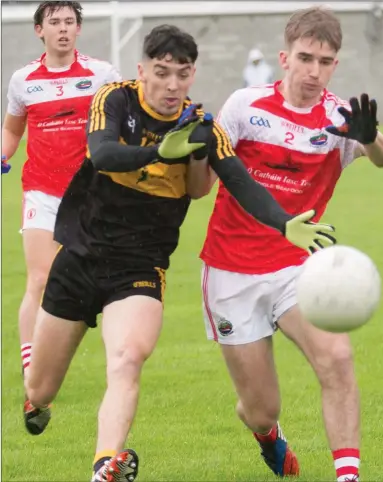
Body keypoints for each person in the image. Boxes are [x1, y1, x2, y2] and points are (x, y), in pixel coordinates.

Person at [23, 24, 337, 482]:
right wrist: (155, 152)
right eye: (162, 72)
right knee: (42, 385)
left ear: (192, 75)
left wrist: (283, 222)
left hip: (139, 269)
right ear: (142, 70)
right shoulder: (115, 99)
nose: (172, 85)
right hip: (79, 257)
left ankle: (105, 464)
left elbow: (239, 179)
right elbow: (103, 154)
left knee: (128, 358)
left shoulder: (200, 127)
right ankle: (37, 402)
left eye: (182, 74)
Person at [200, 6, 383, 481]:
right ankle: (269, 437)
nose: (314, 71)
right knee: (261, 409)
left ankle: (347, 475)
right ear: (284, 58)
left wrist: (370, 141)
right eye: (306, 58)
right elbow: (203, 182)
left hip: (296, 269)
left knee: (338, 358)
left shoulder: (339, 117)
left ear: (335, 65)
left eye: (325, 62)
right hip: (231, 270)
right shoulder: (244, 106)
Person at [1, 0, 121, 434]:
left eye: (70, 22)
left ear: (78, 29)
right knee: (39, 278)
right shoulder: (23, 81)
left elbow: (120, 122)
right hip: (42, 192)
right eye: (55, 23)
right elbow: (13, 129)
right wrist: (4, 152)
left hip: (91, 193)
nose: (64, 29)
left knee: (104, 282)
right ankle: (32, 371)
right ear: (40, 30)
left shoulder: (101, 74)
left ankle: (118, 367)